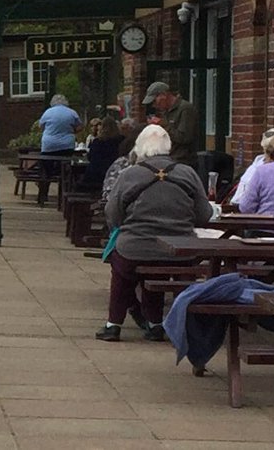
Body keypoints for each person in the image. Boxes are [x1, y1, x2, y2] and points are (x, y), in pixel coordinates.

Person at [97, 124, 213, 342]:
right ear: (168, 146)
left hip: (135, 246)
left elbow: (112, 212)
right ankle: (157, 324)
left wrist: (125, 228)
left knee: (122, 271)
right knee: (157, 270)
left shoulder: (129, 174)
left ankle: (113, 325)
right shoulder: (188, 173)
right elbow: (204, 214)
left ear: (139, 146)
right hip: (179, 250)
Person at [35, 93, 81, 207]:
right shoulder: (72, 112)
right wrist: (71, 132)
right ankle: (64, 195)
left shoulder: (48, 112)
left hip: (49, 145)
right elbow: (79, 126)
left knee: (45, 170)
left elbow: (40, 126)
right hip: (66, 145)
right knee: (65, 171)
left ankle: (42, 195)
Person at [142, 81, 199, 168]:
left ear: (163, 95)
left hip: (183, 162)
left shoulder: (185, 109)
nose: (154, 105)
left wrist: (163, 125)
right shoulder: (166, 112)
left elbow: (184, 138)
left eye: (154, 101)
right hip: (169, 160)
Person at [77, 116, 121, 193]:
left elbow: (90, 157)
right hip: (114, 174)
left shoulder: (97, 141)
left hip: (95, 175)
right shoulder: (121, 140)